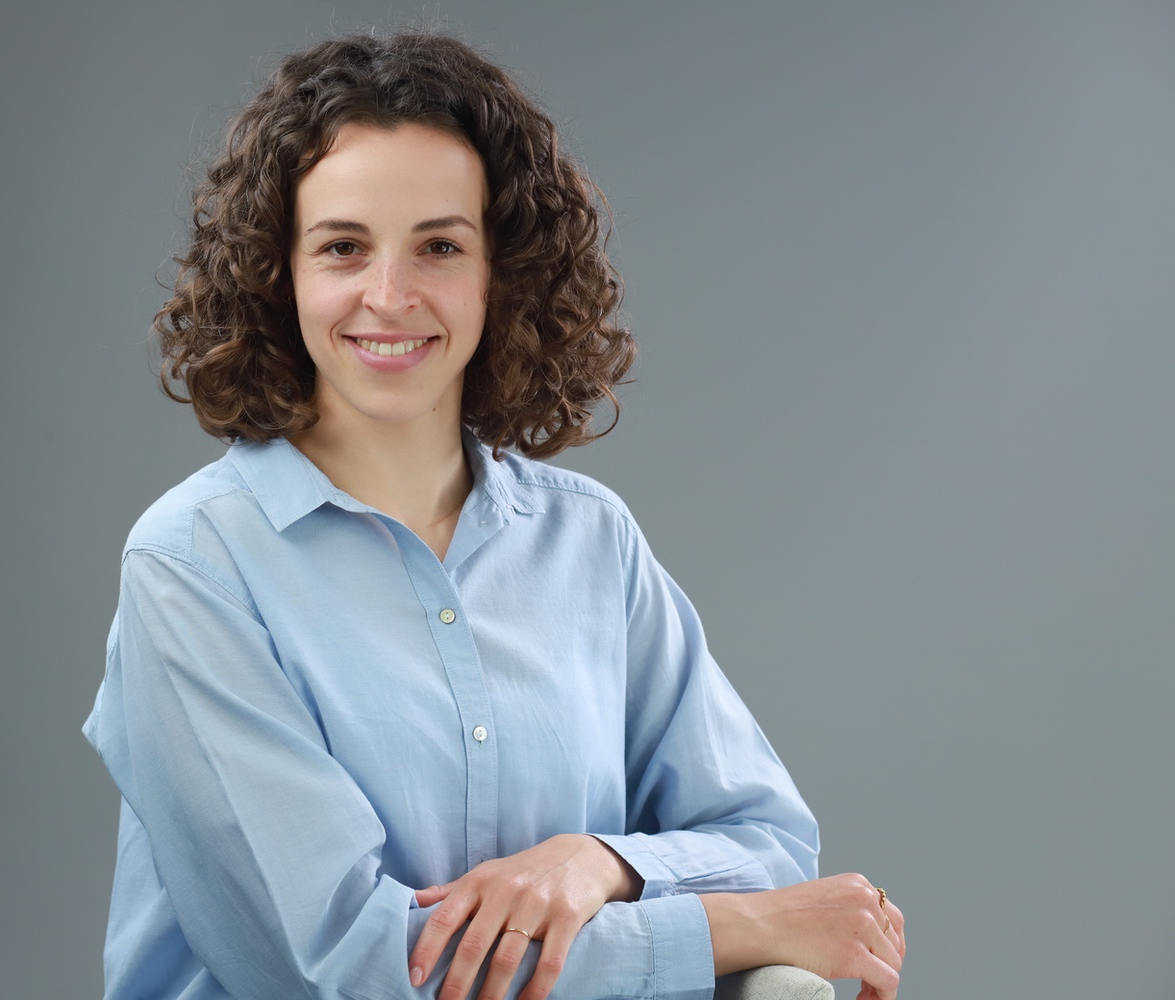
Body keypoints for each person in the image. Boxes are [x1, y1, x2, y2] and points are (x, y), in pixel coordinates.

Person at [83, 31, 906, 1000]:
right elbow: (344, 965)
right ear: (279, 271)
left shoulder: (591, 542)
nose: (390, 297)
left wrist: (597, 861)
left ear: (499, 272)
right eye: (343, 247)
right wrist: (723, 927)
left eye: (439, 246)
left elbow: (767, 839)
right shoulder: (194, 565)